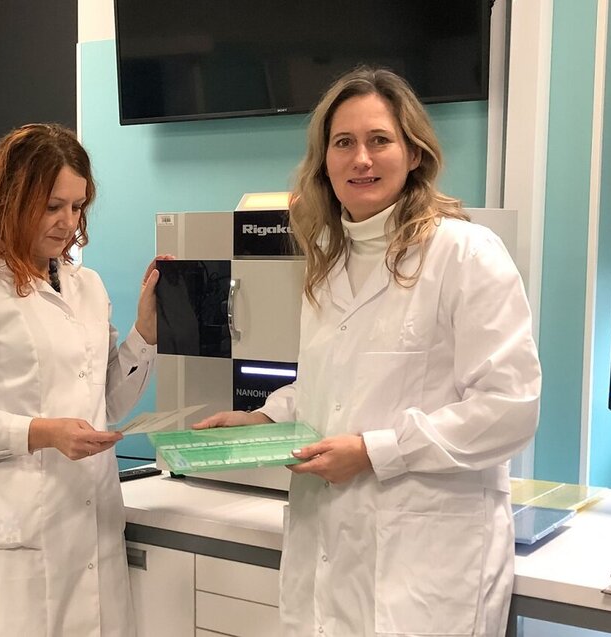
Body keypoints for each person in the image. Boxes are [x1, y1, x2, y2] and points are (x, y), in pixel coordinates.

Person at [194, 67, 542, 636]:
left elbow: (509, 409)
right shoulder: (328, 261)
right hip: (330, 553)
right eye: (344, 143)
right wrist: (263, 420)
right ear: (324, 162)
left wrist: (374, 451)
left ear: (413, 153)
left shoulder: (465, 252)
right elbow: (331, 389)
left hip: (424, 568)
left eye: (379, 140)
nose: (361, 159)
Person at [0, 123, 163, 637]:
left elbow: (106, 401)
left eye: (76, 207)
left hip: (90, 523)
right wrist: (43, 433)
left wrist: (145, 332)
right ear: (12, 199)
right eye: (52, 206)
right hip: (15, 529)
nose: (67, 222)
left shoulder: (87, 286)